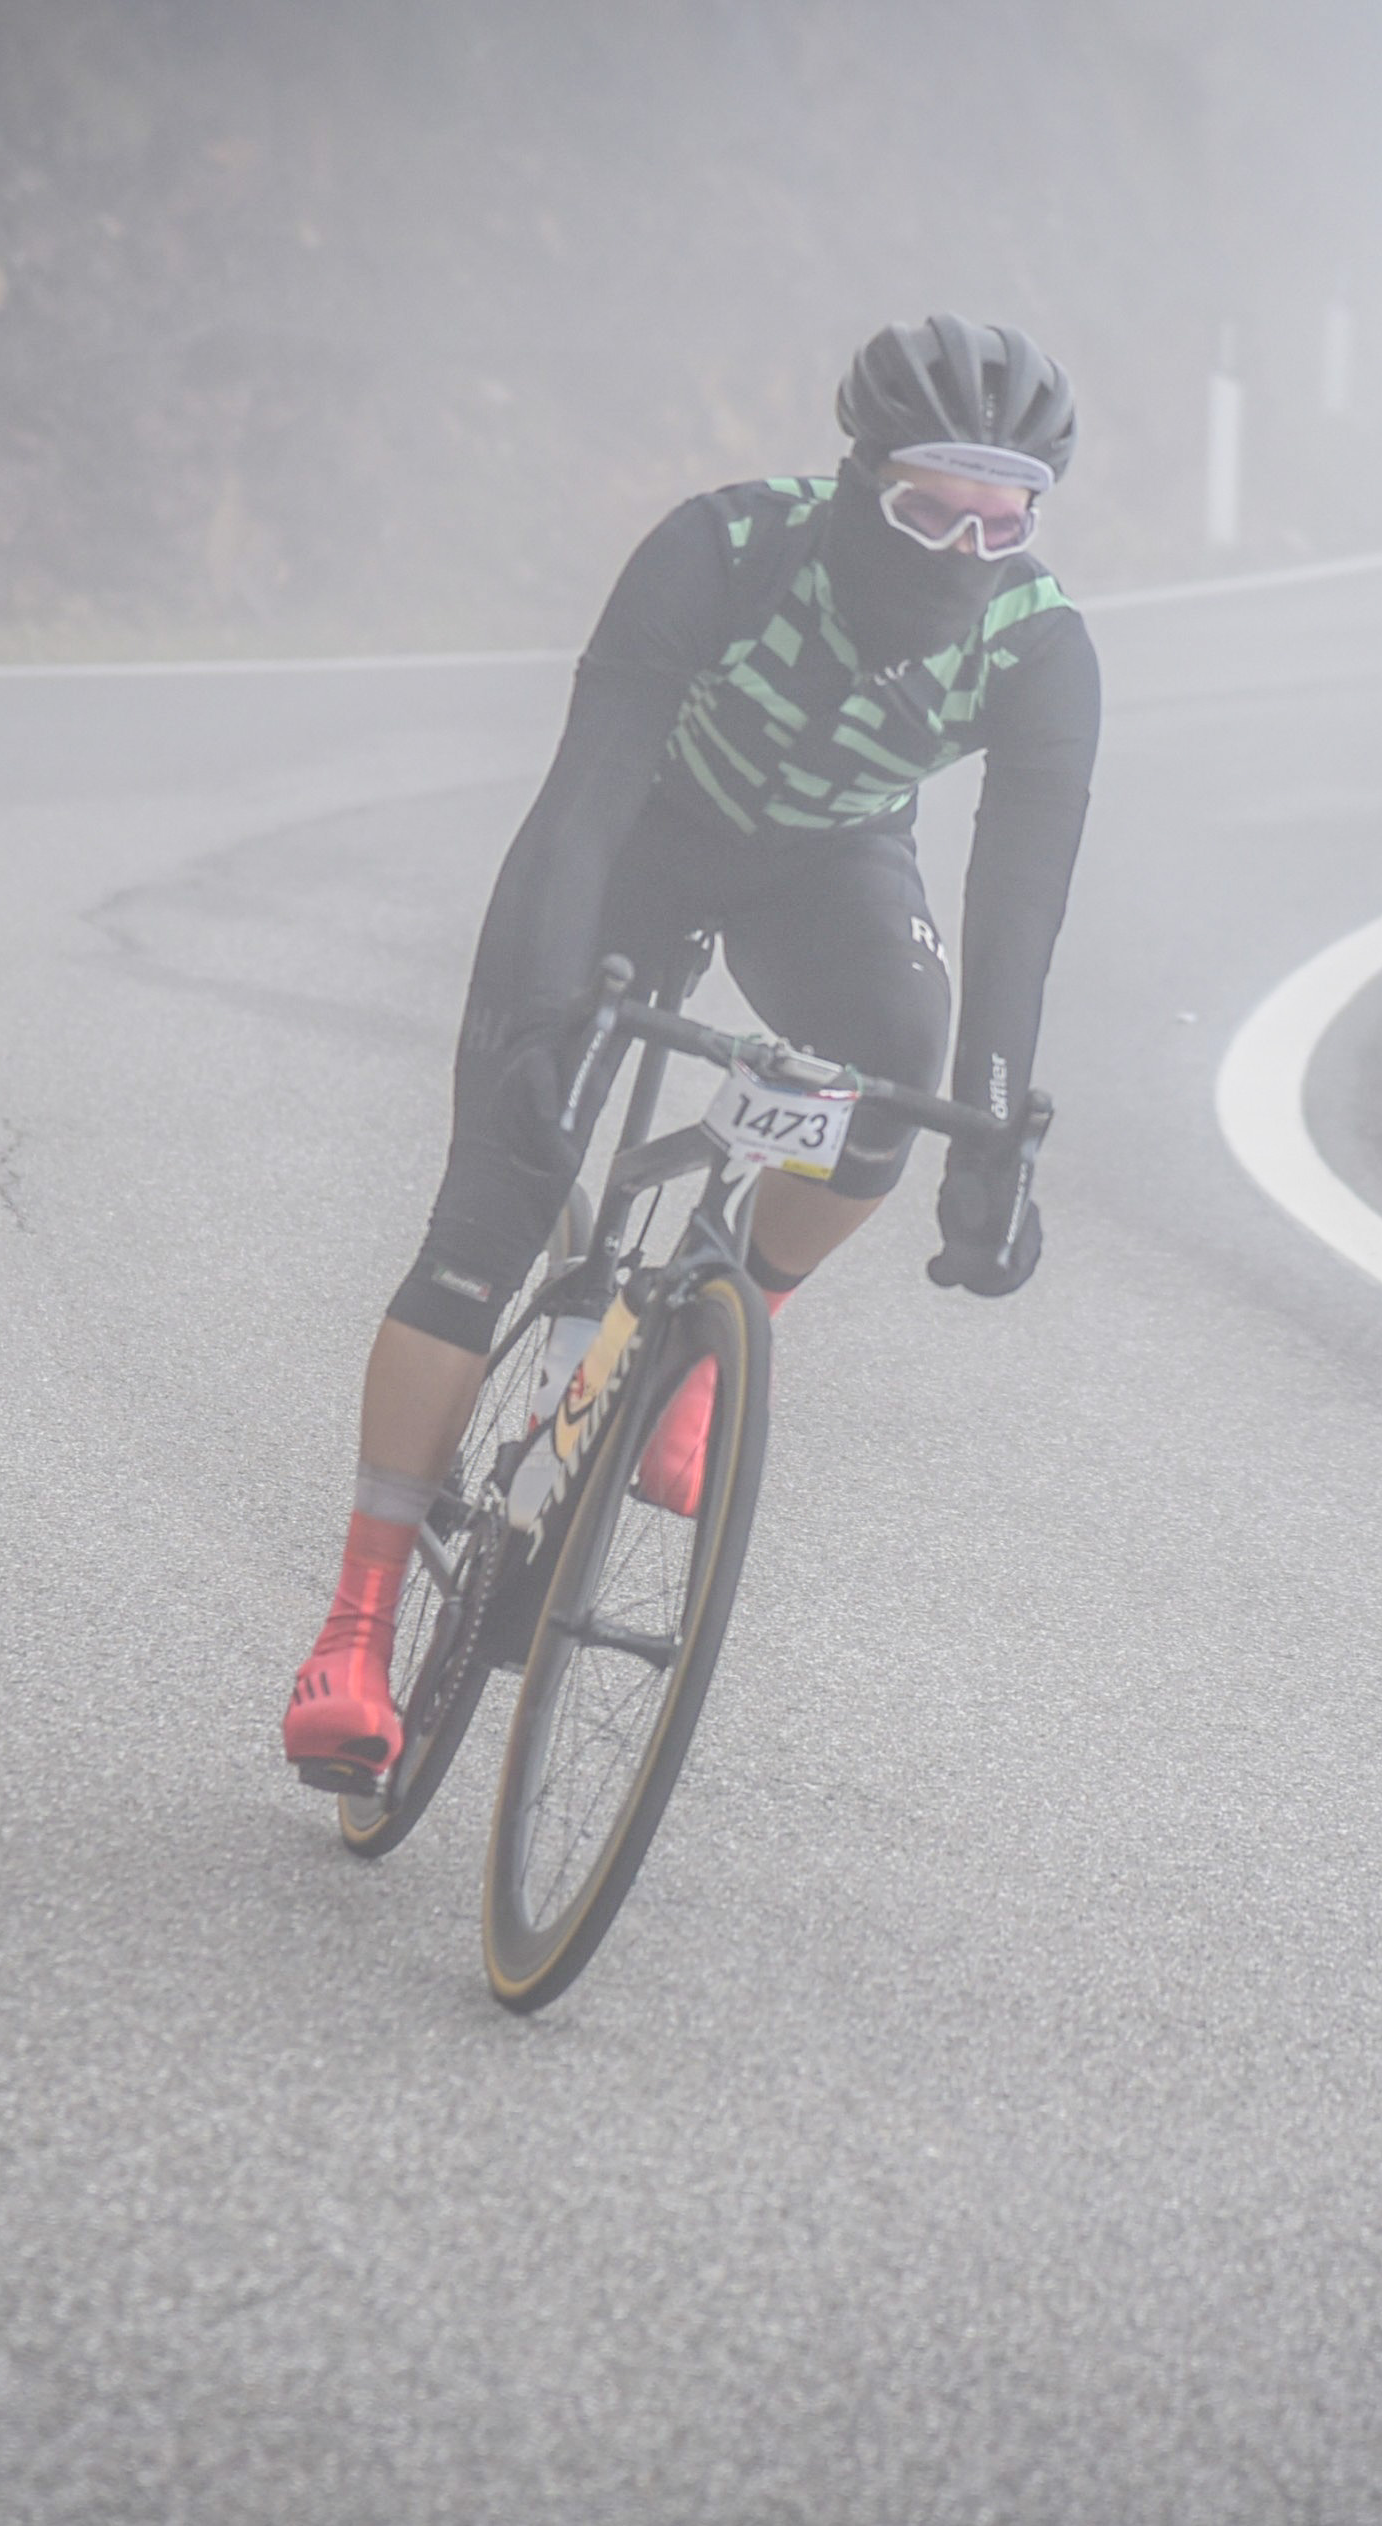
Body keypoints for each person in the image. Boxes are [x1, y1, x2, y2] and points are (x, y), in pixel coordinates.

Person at [282, 314, 1100, 1790]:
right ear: (861, 484)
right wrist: (540, 1017)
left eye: (1005, 518)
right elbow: (581, 801)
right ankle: (356, 1623)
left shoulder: (1038, 645)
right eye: (930, 509)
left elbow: (1016, 910)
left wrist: (991, 1143)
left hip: (826, 868)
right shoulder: (726, 549)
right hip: (638, 845)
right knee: (488, 1215)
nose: (967, 550)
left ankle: (728, 1331)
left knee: (901, 1058)